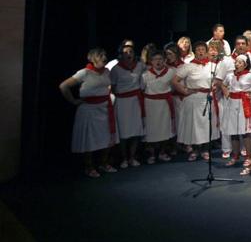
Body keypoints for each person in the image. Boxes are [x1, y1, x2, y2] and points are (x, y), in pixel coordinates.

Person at [59, 48, 120, 177]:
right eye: (100, 55)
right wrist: (74, 101)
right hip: (89, 110)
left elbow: (109, 86)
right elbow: (63, 86)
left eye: (105, 55)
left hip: (104, 108)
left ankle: (103, 163)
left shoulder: (107, 72)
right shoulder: (84, 73)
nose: (104, 57)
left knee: (107, 137)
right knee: (89, 139)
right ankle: (89, 166)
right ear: (93, 59)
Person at [172, 41, 218, 161]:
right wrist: (185, 91)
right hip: (194, 98)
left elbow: (218, 80)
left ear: (207, 51)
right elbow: (175, 81)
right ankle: (195, 150)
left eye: (203, 49)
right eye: (198, 49)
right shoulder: (188, 66)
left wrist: (215, 87)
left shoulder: (212, 65)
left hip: (207, 97)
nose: (201, 51)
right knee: (195, 126)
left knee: (207, 124)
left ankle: (205, 150)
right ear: (194, 52)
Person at [110, 40, 146, 168]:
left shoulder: (139, 66)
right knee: (124, 132)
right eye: (126, 52)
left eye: (131, 52)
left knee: (136, 131)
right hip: (122, 103)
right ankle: (124, 158)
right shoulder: (116, 69)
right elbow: (112, 87)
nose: (129, 54)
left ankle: (132, 157)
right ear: (121, 54)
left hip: (135, 102)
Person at [221, 54, 251, 169]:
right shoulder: (230, 76)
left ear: (245, 65)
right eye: (236, 62)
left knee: (246, 131)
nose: (237, 64)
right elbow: (223, 85)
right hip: (232, 105)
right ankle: (235, 155)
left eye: (240, 62)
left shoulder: (250, 76)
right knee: (233, 132)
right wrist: (227, 93)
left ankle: (249, 156)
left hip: (244, 105)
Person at [142, 49, 176, 163]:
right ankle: (151, 154)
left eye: (160, 59)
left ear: (164, 60)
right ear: (151, 61)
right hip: (150, 105)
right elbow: (142, 89)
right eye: (155, 59)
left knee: (165, 129)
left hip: (164, 105)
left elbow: (175, 86)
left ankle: (162, 152)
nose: (158, 62)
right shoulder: (145, 75)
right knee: (151, 129)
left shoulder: (170, 72)